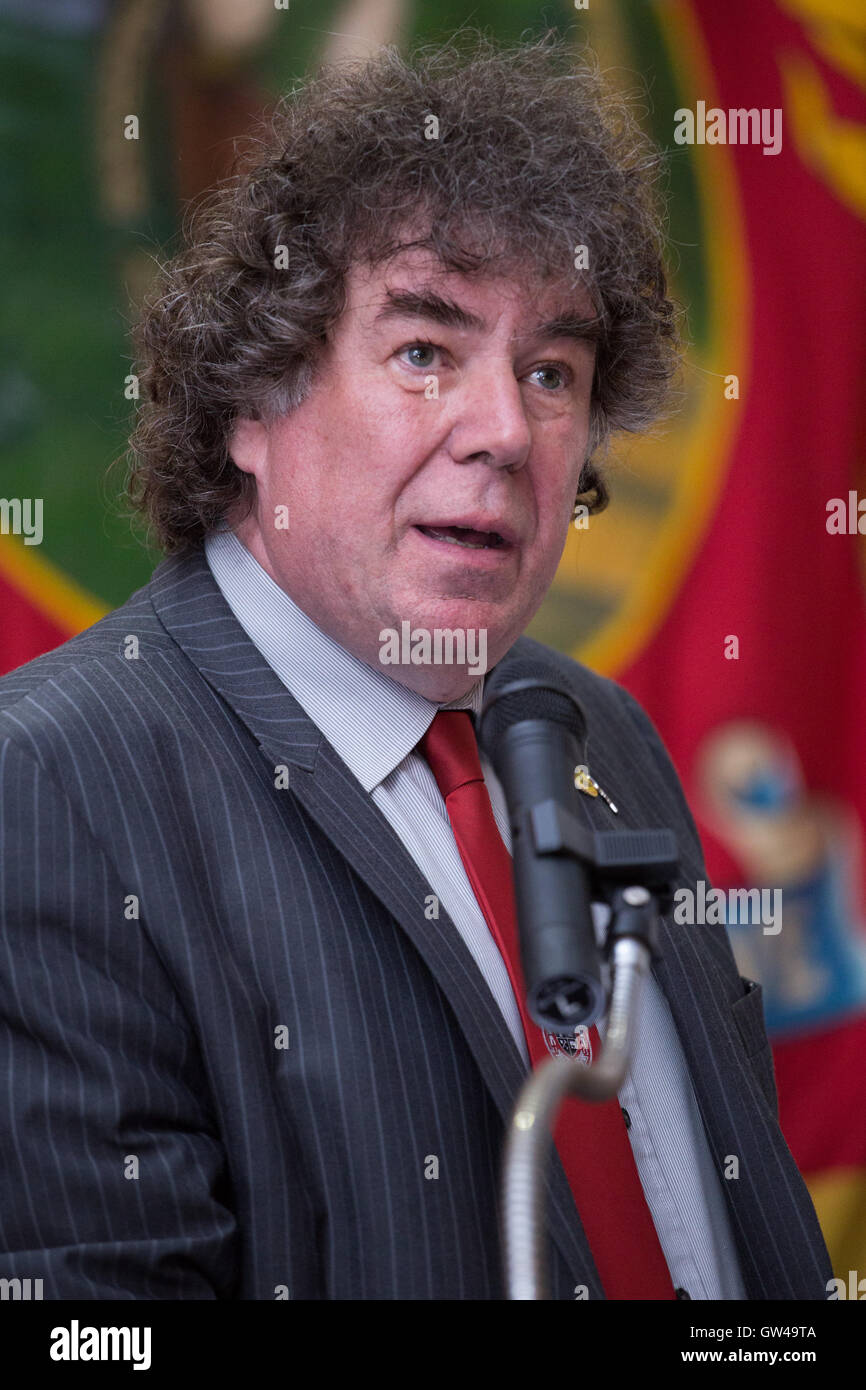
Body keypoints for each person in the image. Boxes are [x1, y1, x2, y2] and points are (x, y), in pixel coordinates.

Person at [0, 32, 831, 1300]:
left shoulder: (598, 733)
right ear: (251, 400)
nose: (505, 429)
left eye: (551, 371)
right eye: (424, 351)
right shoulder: (52, 782)